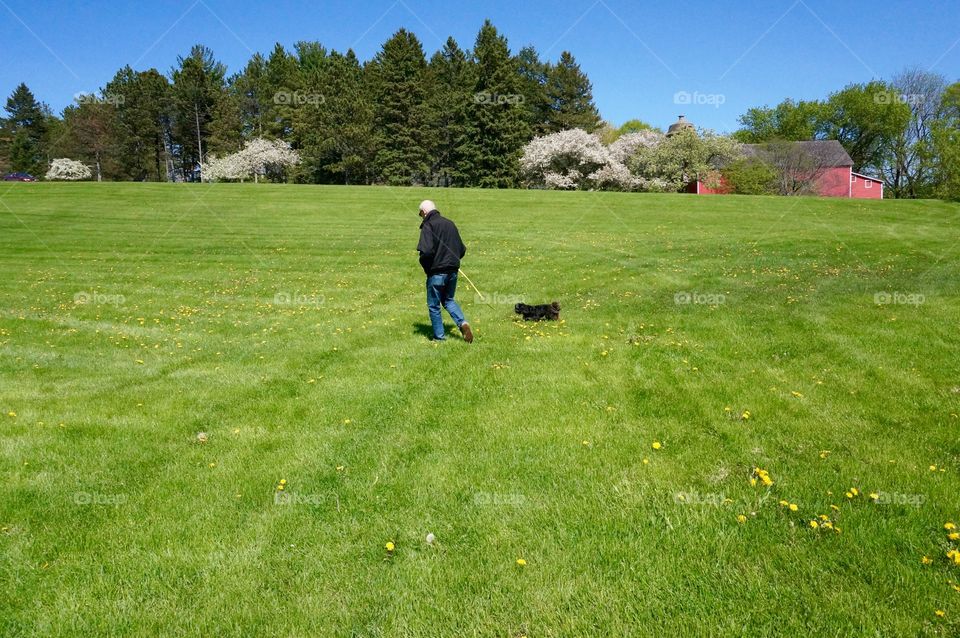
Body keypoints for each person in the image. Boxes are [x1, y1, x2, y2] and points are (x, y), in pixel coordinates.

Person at [416, 200, 473, 343]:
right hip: (453, 270)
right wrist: (452, 262)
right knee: (448, 300)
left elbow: (426, 252)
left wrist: (426, 266)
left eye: (420, 214)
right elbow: (461, 249)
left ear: (424, 212)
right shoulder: (450, 224)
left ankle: (439, 338)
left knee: (434, 305)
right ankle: (463, 323)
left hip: (436, 272)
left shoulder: (428, 225)